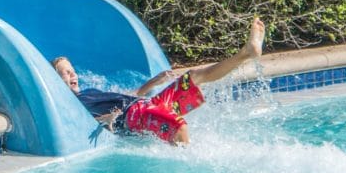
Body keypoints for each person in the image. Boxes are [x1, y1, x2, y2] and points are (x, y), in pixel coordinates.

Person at [51, 17, 264, 145]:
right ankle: (189, 168)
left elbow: (132, 95)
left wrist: (154, 82)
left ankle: (246, 53)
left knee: (194, 76)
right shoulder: (74, 105)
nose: (73, 75)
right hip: (135, 116)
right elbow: (82, 124)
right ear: (55, 80)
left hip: (144, 105)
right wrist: (107, 120)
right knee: (177, 126)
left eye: (72, 71)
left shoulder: (91, 92)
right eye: (65, 73)